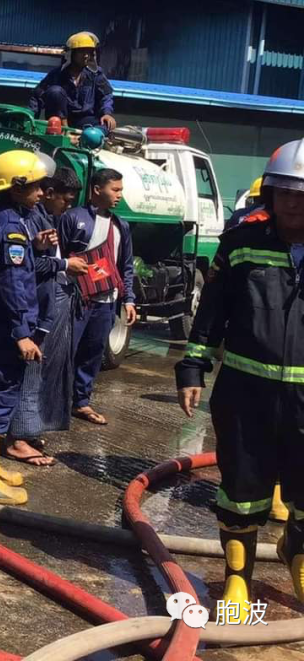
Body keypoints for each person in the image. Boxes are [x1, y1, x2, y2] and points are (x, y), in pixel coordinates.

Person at [176, 138, 304, 622]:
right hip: (246, 393)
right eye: (285, 190)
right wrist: (192, 366)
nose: (294, 200)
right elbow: (213, 312)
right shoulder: (242, 241)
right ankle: (237, 579)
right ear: (270, 192)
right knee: (242, 491)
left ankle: (298, 553)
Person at [0, 150, 58, 505]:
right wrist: (21, 332)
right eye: (35, 186)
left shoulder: (6, 219)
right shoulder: (10, 228)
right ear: (16, 187)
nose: (41, 192)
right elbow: (13, 282)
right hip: (4, 328)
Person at [7, 168, 88, 465]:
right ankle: (16, 439)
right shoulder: (23, 221)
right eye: (65, 200)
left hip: (39, 312)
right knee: (27, 375)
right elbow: (26, 268)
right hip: (30, 312)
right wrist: (64, 264)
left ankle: (25, 432)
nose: (67, 207)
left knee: (34, 374)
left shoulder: (43, 220)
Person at [59, 168, 137, 426]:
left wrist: (128, 299)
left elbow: (125, 265)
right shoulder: (72, 218)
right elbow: (58, 257)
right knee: (65, 353)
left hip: (106, 302)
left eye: (120, 190)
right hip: (76, 299)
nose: (119, 196)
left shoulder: (120, 225)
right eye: (115, 190)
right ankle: (56, 404)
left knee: (92, 354)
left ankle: (81, 402)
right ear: (96, 189)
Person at [28, 32, 116, 131]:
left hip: (83, 119)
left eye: (89, 52)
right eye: (82, 52)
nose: (86, 56)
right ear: (71, 54)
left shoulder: (96, 74)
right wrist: (30, 117)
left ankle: (89, 137)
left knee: (105, 126)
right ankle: (65, 132)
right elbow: (37, 96)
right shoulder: (56, 74)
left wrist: (107, 114)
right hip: (58, 121)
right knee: (55, 91)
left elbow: (106, 95)